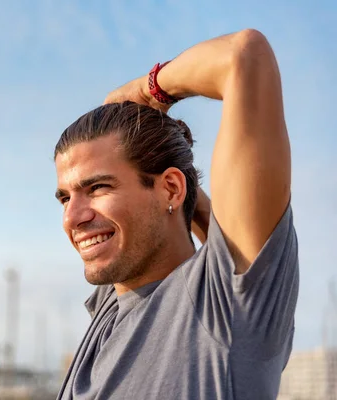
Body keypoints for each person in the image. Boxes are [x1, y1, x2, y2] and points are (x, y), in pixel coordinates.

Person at [53, 29, 298, 399]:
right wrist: (185, 201)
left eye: (97, 188)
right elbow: (166, 215)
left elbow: (244, 57)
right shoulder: (115, 298)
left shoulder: (224, 309)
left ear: (169, 188)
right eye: (64, 197)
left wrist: (147, 90)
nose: (73, 217)